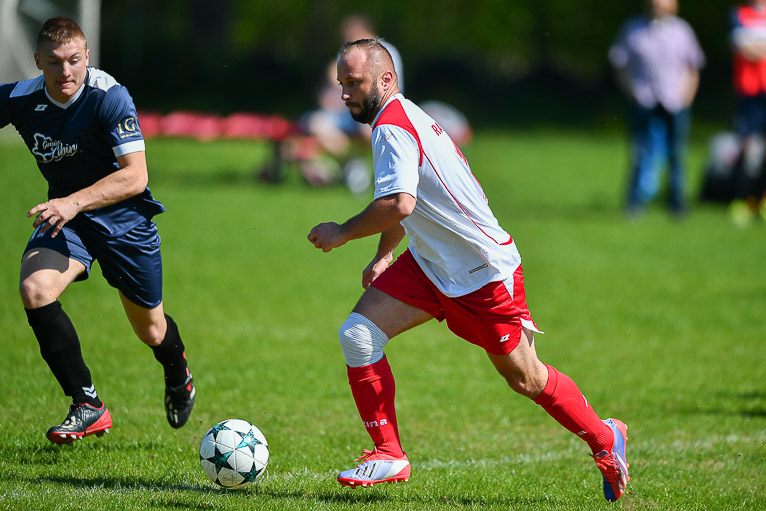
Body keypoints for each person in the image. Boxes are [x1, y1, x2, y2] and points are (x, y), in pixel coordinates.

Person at [307, 39, 630, 502]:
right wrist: (383, 255)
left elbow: (399, 202)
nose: (344, 94)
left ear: (386, 79)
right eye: (341, 83)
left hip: (482, 273)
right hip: (431, 263)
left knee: (526, 378)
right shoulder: (396, 118)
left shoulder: (393, 127)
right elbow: (405, 200)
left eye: (353, 83)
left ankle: (605, 437)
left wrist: (342, 231)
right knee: (358, 335)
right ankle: (388, 452)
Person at [0, 17, 195, 444]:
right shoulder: (20, 98)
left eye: (74, 60)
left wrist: (72, 202)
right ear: (37, 61)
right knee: (35, 289)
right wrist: (69, 207)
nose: (65, 71)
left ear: (87, 56)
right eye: (54, 62)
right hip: (66, 219)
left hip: (124, 223)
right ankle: (87, 404)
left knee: (152, 330)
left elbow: (136, 176)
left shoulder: (109, 96)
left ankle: (178, 371)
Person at [608, 0, 705, 217]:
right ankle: (633, 203)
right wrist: (631, 92)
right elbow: (620, 65)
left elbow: (693, 67)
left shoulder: (682, 31)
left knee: (676, 154)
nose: (657, 4)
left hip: (675, 100)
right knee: (639, 152)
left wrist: (687, 97)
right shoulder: (632, 29)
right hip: (643, 99)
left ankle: (676, 204)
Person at [729, 0, 766, 226]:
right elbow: (742, 47)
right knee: (748, 148)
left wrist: (755, 46)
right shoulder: (738, 14)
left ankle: (762, 200)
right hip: (749, 91)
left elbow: (751, 47)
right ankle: (742, 199)